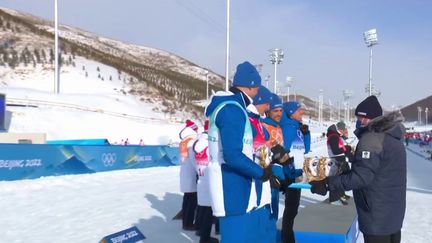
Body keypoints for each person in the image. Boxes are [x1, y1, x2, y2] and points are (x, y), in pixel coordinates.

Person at [310, 95, 406, 243]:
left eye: (359, 118)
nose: (358, 122)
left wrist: (327, 183)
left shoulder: (371, 138)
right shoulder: (393, 138)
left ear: (366, 118)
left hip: (377, 216)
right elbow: (380, 172)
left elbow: (362, 178)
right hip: (393, 214)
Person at [205, 61, 282, 243]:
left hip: (240, 187)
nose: (257, 93)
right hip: (232, 189)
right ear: (251, 86)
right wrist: (261, 173)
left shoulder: (236, 107)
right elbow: (232, 155)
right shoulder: (232, 109)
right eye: (257, 88)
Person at [279, 101, 311, 243]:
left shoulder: (296, 127)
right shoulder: (288, 127)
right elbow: (283, 152)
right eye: (299, 111)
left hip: (297, 172)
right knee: (291, 209)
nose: (301, 113)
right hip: (290, 173)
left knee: (293, 208)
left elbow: (306, 149)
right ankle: (287, 239)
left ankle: (289, 236)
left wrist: (307, 133)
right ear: (291, 113)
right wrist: (289, 171)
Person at [193, 120, 219, 243]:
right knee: (209, 212)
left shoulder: (197, 143)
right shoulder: (211, 143)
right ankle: (205, 238)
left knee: (203, 209)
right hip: (210, 180)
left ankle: (201, 232)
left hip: (201, 178)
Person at [326, 121, 353, 205]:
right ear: (339, 129)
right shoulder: (333, 136)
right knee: (336, 179)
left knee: (342, 178)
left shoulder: (336, 136)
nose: (344, 130)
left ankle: (341, 194)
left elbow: (341, 146)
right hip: (336, 160)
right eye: (343, 129)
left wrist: (346, 147)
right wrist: (346, 149)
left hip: (340, 159)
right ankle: (334, 199)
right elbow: (335, 150)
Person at [179, 119, 199, 231]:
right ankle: (189, 223)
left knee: (187, 199)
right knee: (191, 201)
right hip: (191, 174)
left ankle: (186, 221)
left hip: (185, 173)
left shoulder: (184, 141)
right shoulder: (191, 141)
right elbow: (193, 160)